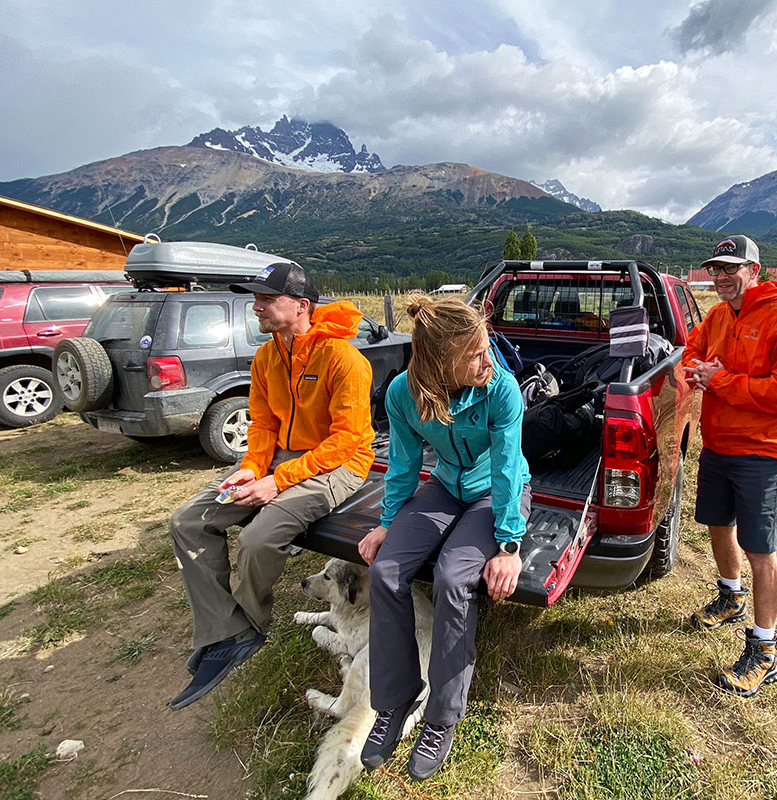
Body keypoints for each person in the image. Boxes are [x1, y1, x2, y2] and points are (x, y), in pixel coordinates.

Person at [167, 261, 375, 710]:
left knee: (257, 539)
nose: (256, 306)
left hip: (339, 466)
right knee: (188, 522)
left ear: (301, 306)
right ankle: (225, 629)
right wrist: (252, 466)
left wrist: (277, 481)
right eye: (255, 298)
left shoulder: (344, 360)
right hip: (280, 460)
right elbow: (262, 423)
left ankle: (248, 626)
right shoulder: (266, 357)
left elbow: (346, 440)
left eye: (266, 298)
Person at [357, 294, 531, 781]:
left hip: (495, 493)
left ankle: (441, 716)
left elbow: (508, 470)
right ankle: (395, 700)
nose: (488, 360)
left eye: (486, 347)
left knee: (454, 579)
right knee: (385, 571)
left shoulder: (500, 389)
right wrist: (388, 522)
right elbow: (404, 463)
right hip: (445, 486)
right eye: (474, 354)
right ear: (439, 362)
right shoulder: (402, 393)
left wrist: (509, 545)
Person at [682, 235, 777, 698]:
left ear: (754, 270)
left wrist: (722, 380)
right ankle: (730, 594)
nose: (721, 276)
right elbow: (691, 352)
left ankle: (765, 650)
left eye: (731, 268)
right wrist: (699, 370)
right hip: (719, 442)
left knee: (760, 548)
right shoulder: (719, 315)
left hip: (764, 449)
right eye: (716, 269)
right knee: (718, 524)